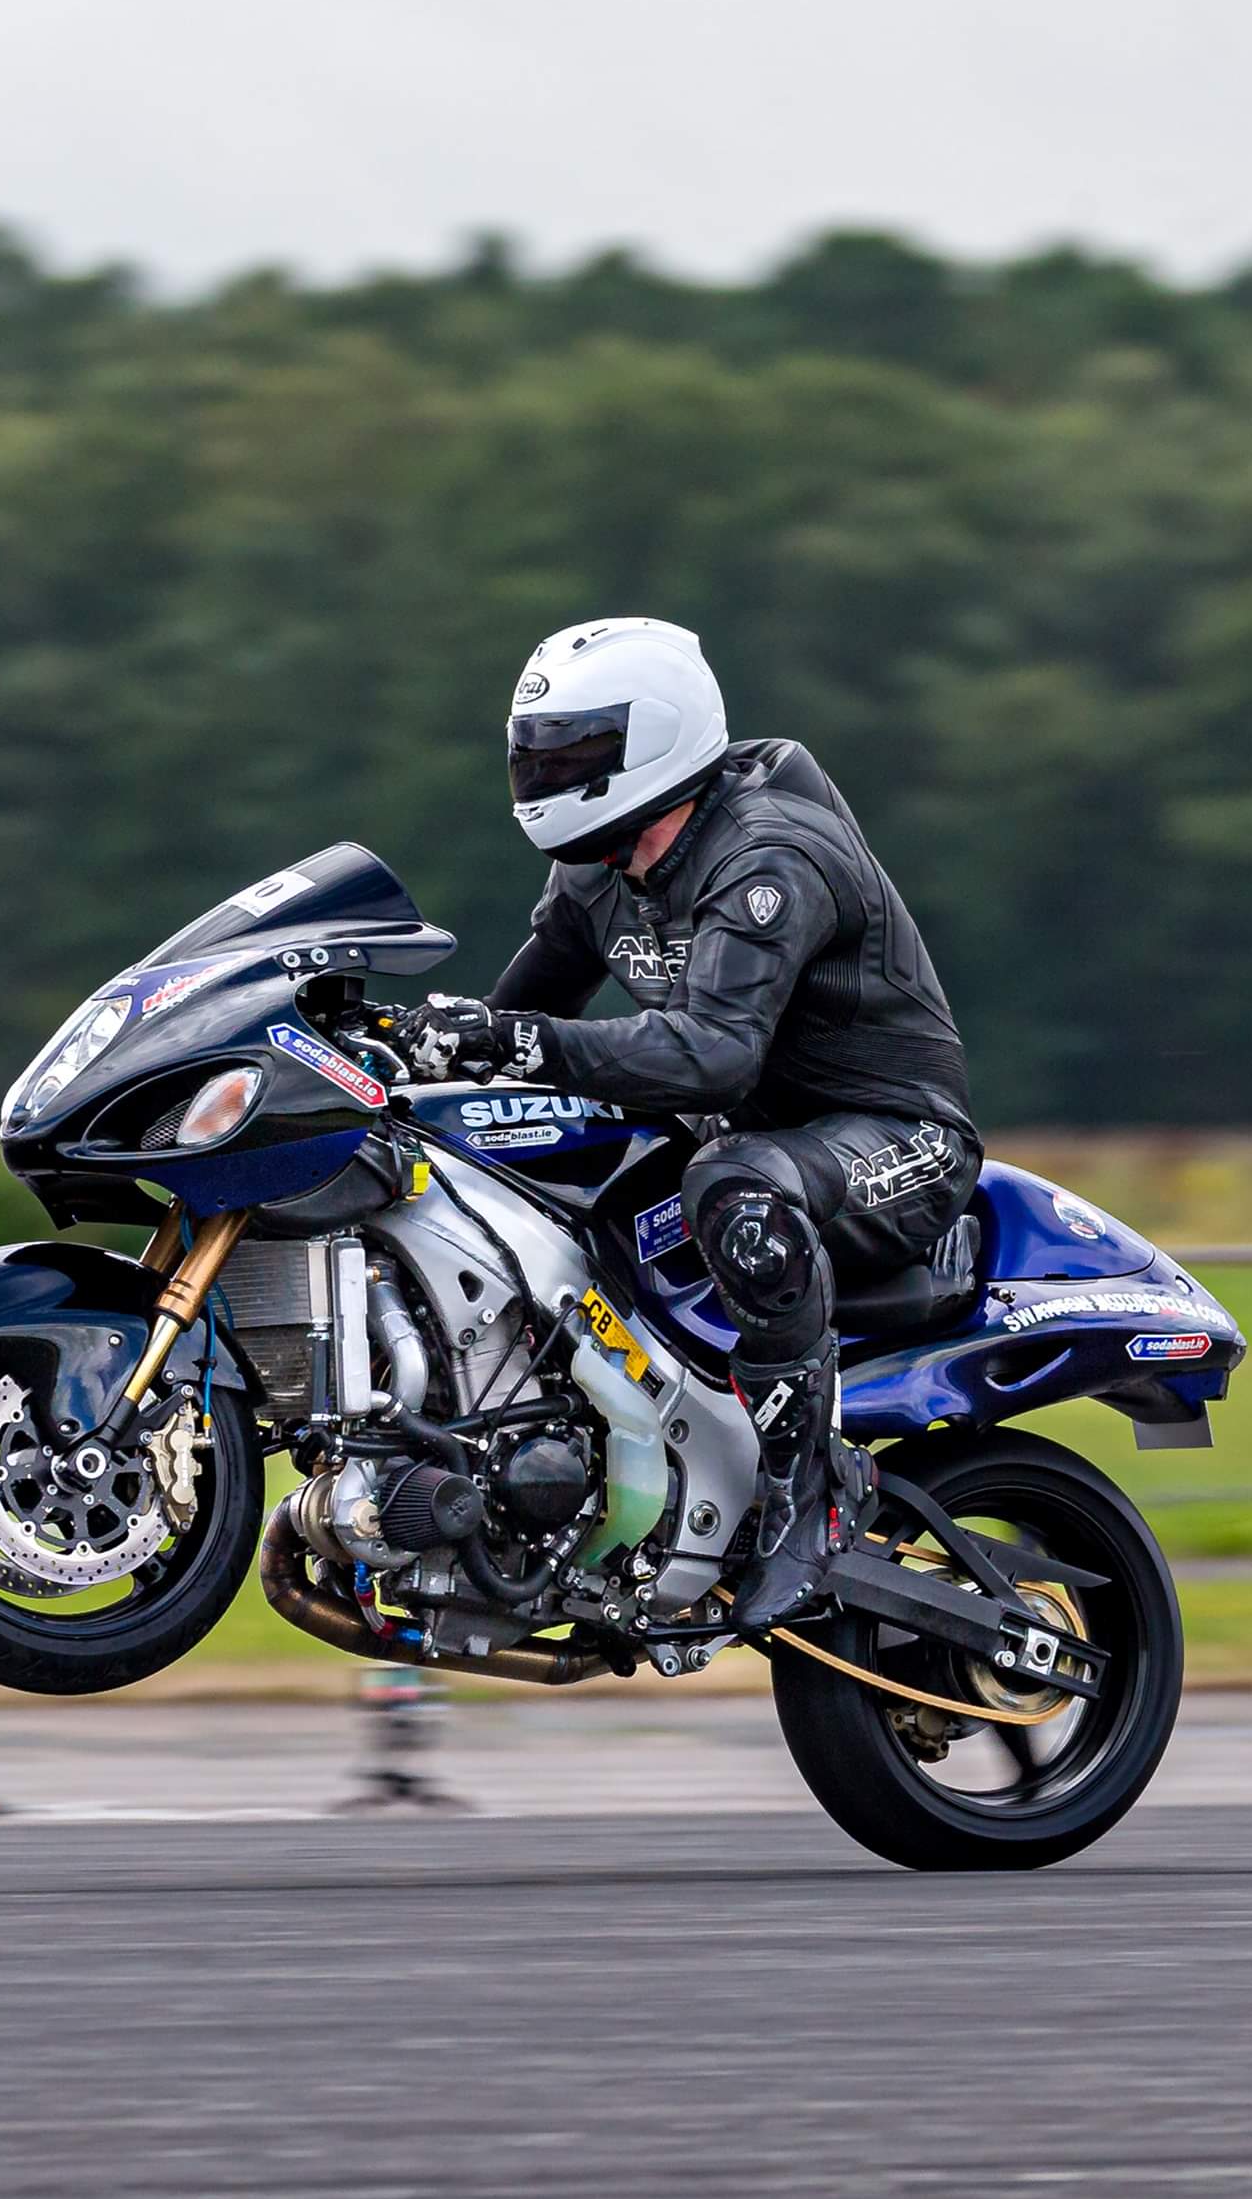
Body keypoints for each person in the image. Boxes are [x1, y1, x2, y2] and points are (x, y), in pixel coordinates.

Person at [406, 616, 979, 1631]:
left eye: (575, 753)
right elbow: (517, 1018)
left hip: (898, 1135)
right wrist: (399, 1050)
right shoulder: (598, 868)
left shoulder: (768, 856)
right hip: (745, 1137)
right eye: (535, 754)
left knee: (736, 1190)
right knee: (512, 1152)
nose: (545, 776)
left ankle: (809, 1498)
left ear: (657, 741)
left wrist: (514, 1041)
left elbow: (715, 1054)